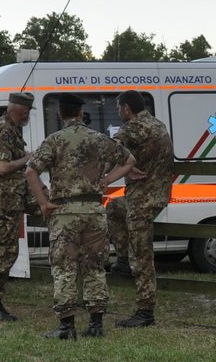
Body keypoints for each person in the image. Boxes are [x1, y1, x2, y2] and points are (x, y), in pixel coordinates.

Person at [25, 94, 134, 339]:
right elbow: (129, 160)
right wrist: (105, 180)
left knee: (64, 268)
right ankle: (96, 325)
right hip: (95, 211)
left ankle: (66, 327)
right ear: (81, 112)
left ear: (60, 114)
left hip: (65, 213)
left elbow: (31, 171)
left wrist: (43, 202)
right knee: (95, 267)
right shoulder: (99, 139)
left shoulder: (54, 140)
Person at [106, 90, 173, 327]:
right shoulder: (157, 124)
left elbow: (110, 148)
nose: (119, 113)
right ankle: (123, 259)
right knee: (113, 208)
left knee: (142, 255)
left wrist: (124, 167)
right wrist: (129, 165)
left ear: (126, 108)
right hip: (155, 195)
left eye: (118, 109)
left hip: (142, 199)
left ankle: (145, 311)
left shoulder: (134, 127)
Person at [0, 91, 37, 321]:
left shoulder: (12, 129)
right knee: (5, 252)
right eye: (27, 112)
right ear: (21, 111)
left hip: (13, 198)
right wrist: (29, 158)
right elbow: (3, 168)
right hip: (5, 200)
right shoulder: (3, 130)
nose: (27, 116)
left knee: (8, 251)